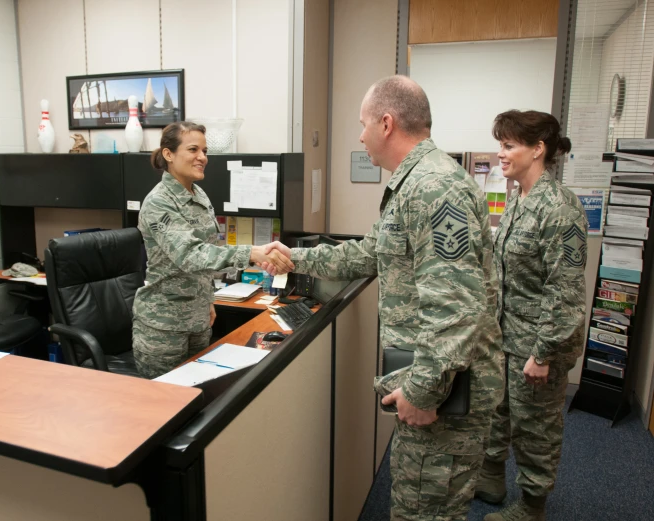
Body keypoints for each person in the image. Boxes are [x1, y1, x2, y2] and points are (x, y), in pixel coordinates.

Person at [263, 76, 505, 521]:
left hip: (444, 391)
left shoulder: (433, 188)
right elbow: (368, 253)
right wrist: (293, 258)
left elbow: (456, 309)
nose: (360, 135)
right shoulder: (412, 184)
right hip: (438, 381)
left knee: (423, 513)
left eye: (363, 123)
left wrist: (423, 392)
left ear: (387, 123)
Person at [476, 111, 587, 521]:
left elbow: (565, 292)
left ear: (538, 149)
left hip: (538, 344)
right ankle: (490, 479)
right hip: (507, 335)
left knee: (535, 428)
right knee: (498, 412)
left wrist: (543, 355)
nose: (500, 153)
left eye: (509, 145)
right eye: (500, 144)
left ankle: (531, 506)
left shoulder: (559, 209)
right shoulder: (519, 198)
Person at [133, 121, 293, 379]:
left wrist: (207, 299)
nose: (202, 157)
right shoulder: (159, 202)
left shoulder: (199, 194)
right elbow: (191, 255)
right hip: (164, 326)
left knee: (200, 397)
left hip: (198, 319)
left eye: (205, 151)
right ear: (168, 154)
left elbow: (210, 250)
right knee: (168, 404)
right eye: (194, 149)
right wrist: (251, 253)